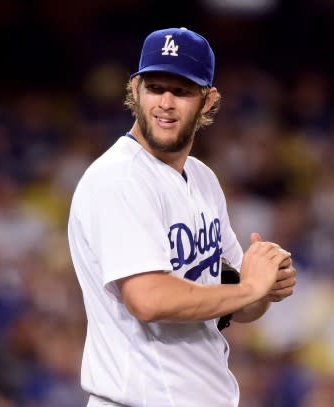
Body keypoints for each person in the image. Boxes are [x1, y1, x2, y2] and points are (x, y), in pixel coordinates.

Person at [67, 27, 297, 407]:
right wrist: (248, 289)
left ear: (208, 100)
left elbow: (237, 307)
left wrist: (265, 282)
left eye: (182, 91)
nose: (166, 103)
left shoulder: (202, 178)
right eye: (156, 87)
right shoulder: (120, 178)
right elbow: (148, 299)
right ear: (135, 89)